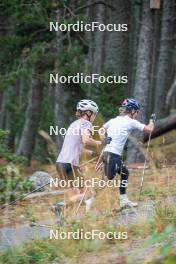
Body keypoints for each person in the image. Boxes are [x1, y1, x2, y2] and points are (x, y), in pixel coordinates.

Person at [98, 98, 155, 209]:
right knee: (108, 180)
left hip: (108, 154)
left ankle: (123, 200)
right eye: (137, 111)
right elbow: (149, 129)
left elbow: (101, 130)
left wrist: (104, 139)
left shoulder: (113, 120)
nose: (137, 114)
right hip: (112, 155)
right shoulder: (131, 122)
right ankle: (93, 202)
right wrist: (152, 120)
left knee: (125, 173)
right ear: (132, 110)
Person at [54, 99, 102, 218]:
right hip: (70, 165)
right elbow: (86, 140)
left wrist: (94, 155)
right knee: (89, 194)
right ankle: (61, 206)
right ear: (89, 113)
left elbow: (79, 148)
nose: (94, 117)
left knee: (75, 198)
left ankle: (63, 221)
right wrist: (100, 142)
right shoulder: (86, 123)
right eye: (94, 113)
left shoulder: (73, 125)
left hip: (60, 164)